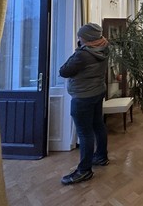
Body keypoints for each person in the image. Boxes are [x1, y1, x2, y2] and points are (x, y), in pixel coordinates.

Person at [59, 23, 110, 184]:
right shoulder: (104, 48)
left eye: (80, 36)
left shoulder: (82, 55)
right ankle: (101, 156)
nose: (78, 38)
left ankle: (84, 171)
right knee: (98, 125)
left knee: (84, 132)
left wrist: (78, 50)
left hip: (82, 97)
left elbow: (64, 71)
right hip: (98, 92)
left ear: (86, 38)